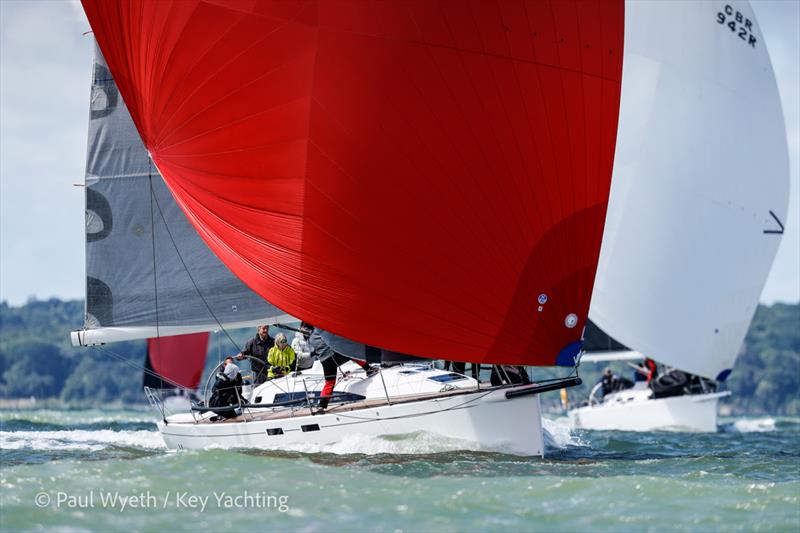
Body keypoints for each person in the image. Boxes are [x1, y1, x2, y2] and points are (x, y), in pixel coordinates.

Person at [308, 328, 378, 413]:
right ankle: (369, 369)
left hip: (325, 361)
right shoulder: (320, 330)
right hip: (333, 357)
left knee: (329, 383)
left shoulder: (310, 338)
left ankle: (321, 405)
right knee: (350, 353)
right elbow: (331, 339)